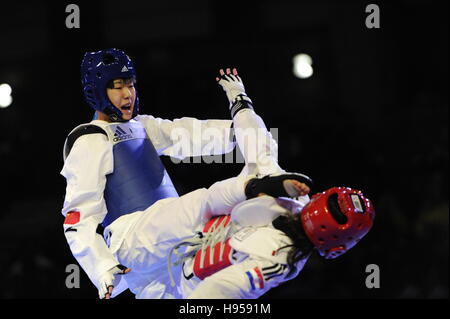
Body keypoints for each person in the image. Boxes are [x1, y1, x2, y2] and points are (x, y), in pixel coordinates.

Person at [106, 68, 375, 299]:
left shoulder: (281, 259)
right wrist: (239, 98)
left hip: (171, 283)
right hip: (168, 238)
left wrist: (239, 97)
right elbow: (259, 144)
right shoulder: (289, 196)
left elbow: (218, 290)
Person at [60, 49, 240, 299]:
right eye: (117, 87)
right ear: (98, 92)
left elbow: (185, 134)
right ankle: (246, 193)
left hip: (167, 251)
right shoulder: (89, 137)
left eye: (131, 85)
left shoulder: (142, 126)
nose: (128, 94)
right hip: (133, 238)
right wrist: (102, 267)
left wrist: (242, 130)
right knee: (203, 205)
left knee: (211, 295)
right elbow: (77, 217)